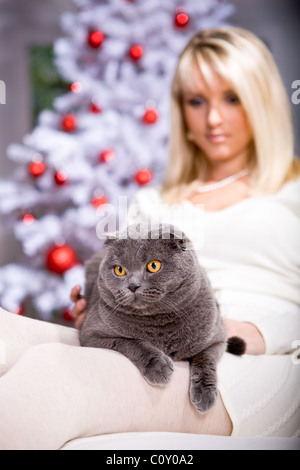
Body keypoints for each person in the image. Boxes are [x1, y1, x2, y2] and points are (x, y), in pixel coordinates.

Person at [0, 26, 300, 450]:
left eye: (232, 98)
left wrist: (260, 332)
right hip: (144, 330)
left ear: (263, 100)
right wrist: (101, 308)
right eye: (197, 100)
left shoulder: (292, 193)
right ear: (181, 109)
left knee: (53, 376)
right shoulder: (150, 203)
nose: (213, 118)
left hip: (246, 357)